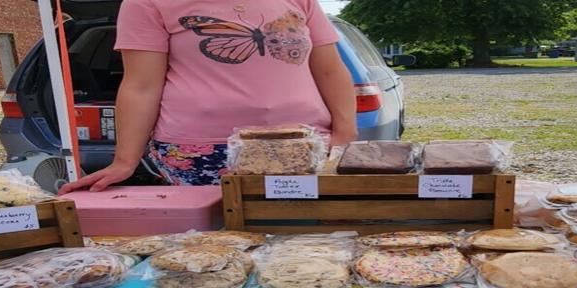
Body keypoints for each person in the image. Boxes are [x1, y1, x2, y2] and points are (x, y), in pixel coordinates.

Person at [59, 0, 358, 191]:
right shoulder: (146, 2)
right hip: (200, 152)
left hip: (303, 146)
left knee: (305, 248)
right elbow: (141, 86)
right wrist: (125, 161)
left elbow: (330, 71)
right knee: (212, 250)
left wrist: (345, 134)